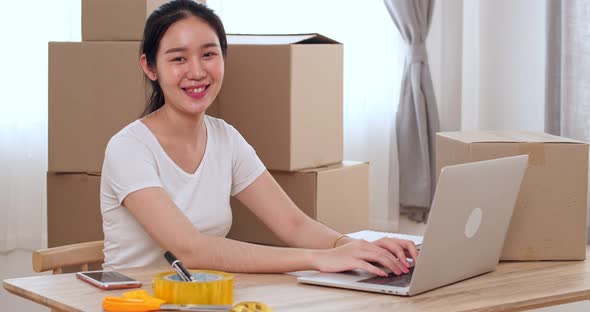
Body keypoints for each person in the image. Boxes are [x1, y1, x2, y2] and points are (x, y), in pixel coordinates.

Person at [100, 0, 418, 276]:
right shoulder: (128, 148)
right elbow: (192, 250)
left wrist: (357, 247)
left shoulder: (226, 139)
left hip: (199, 299)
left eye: (208, 54)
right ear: (150, 66)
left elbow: (294, 225)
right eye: (178, 58)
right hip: (132, 301)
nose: (196, 71)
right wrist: (320, 259)